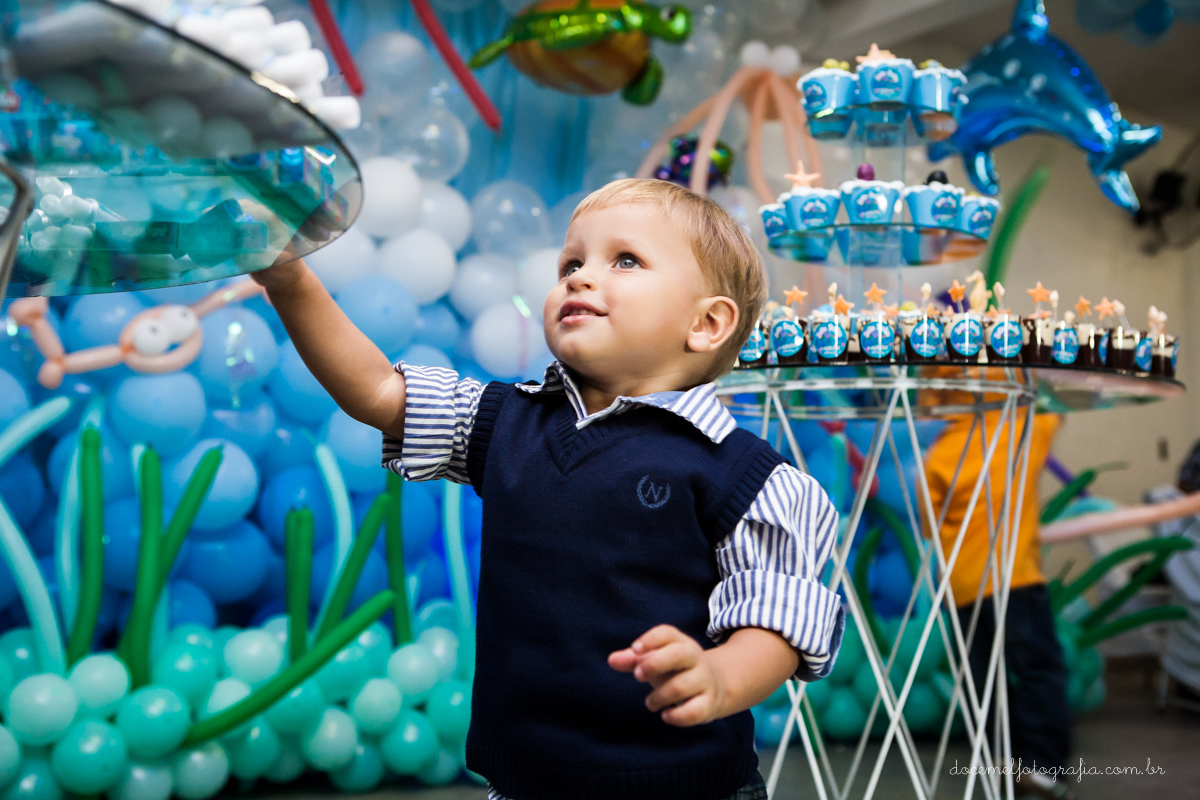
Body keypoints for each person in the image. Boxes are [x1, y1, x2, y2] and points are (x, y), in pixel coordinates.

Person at [251, 178, 845, 800]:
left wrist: (719, 677)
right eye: (571, 262)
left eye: (625, 260)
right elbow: (377, 392)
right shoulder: (505, 423)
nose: (580, 277)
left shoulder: (743, 475)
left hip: (684, 787)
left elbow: (777, 625)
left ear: (706, 323)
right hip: (526, 782)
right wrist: (292, 281)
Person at [924, 406, 1074, 800]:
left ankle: (1002, 766)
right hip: (1013, 578)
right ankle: (1042, 769)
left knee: (982, 683)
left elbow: (928, 523)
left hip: (960, 585)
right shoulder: (1025, 427)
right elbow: (1057, 405)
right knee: (1037, 672)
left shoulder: (941, 451)